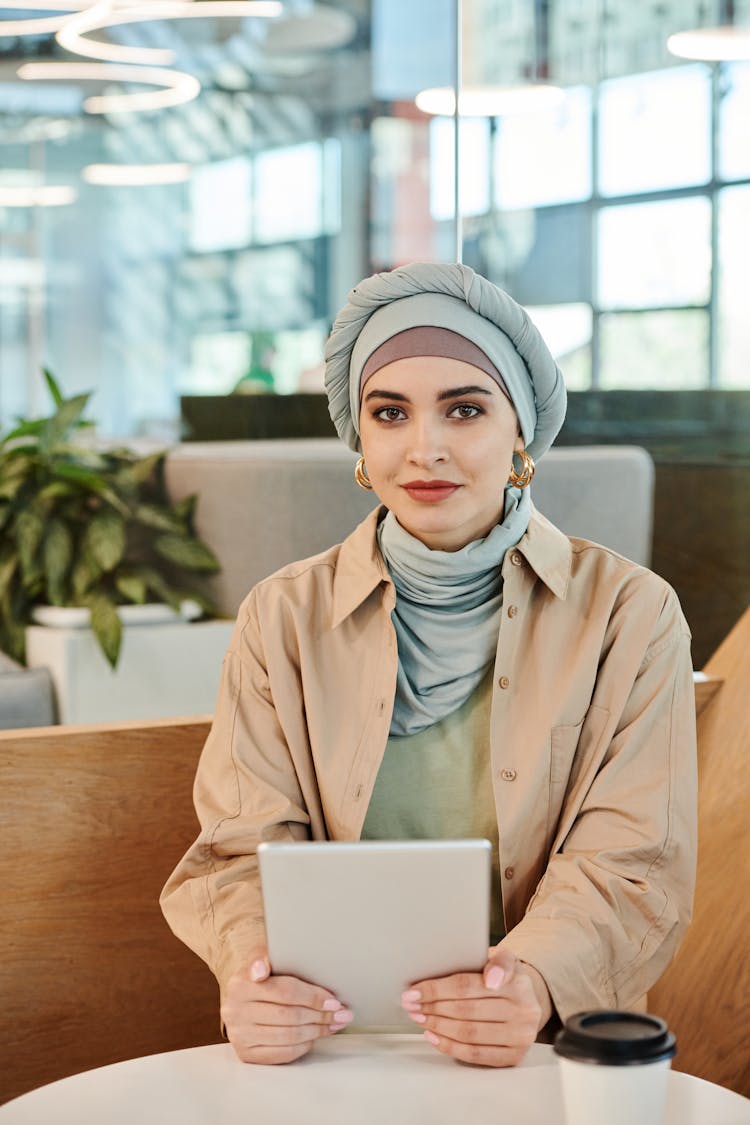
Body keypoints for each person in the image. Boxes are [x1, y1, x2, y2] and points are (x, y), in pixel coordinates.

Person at [161, 261, 697, 1069]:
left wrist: (534, 979)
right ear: (360, 438)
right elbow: (241, 846)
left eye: (465, 409)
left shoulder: (630, 613)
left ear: (519, 432)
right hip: (331, 1045)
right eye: (390, 412)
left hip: (539, 1045)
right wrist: (252, 972)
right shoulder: (281, 617)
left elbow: (634, 860)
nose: (425, 448)